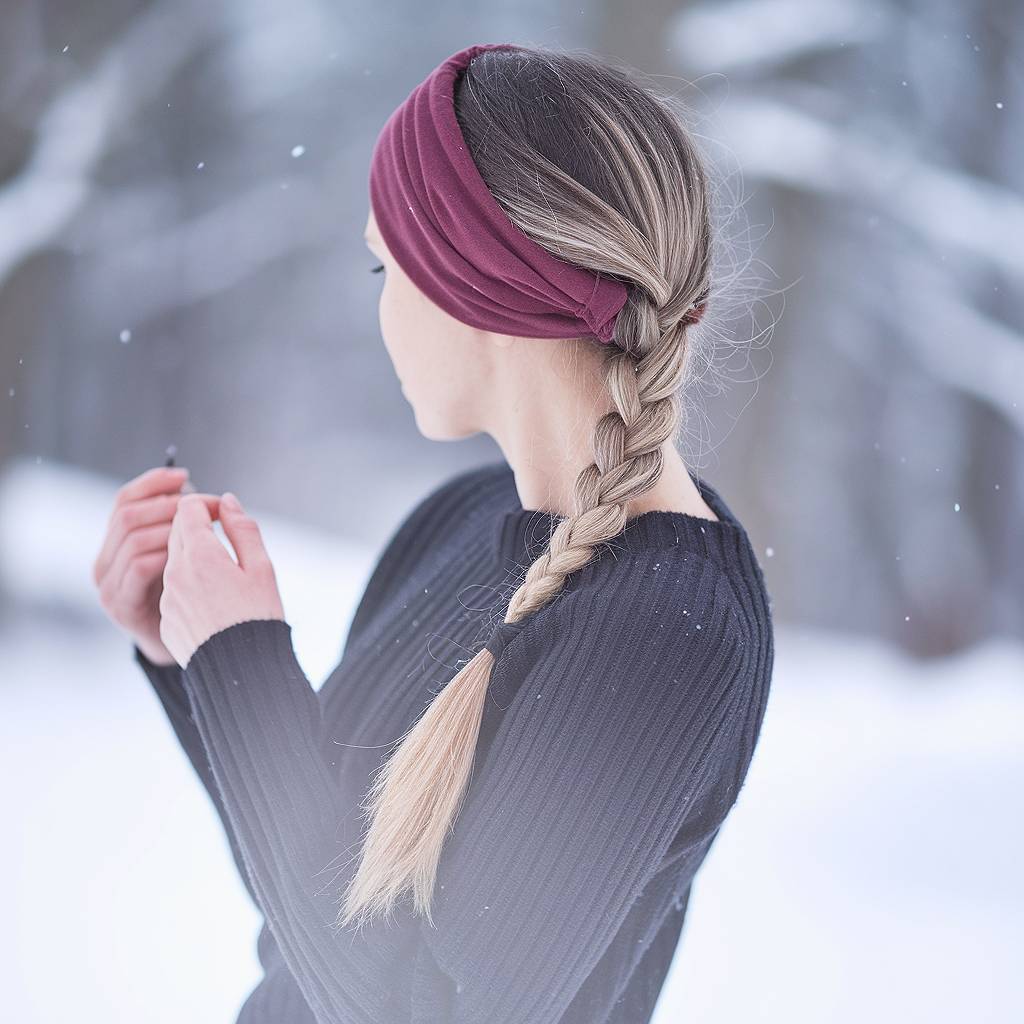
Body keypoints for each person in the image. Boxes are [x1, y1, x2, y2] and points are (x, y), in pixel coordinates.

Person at [93, 42, 775, 1024]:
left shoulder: (669, 632)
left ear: (475, 277)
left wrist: (241, 659)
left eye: (386, 261)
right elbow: (323, 902)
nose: (380, 306)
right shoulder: (458, 522)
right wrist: (192, 656)